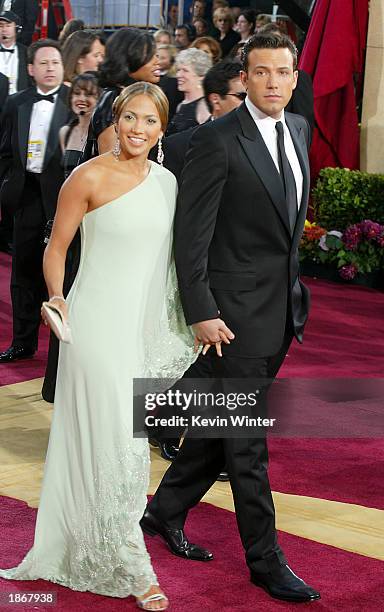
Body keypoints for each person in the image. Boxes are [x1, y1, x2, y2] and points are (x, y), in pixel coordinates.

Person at [0, 81, 195, 610]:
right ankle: (138, 569)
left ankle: (83, 544)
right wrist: (58, 297)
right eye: (130, 117)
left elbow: (173, 266)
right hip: (93, 329)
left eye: (150, 121)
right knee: (123, 449)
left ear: (162, 128)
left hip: (140, 331)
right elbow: (56, 247)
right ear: (116, 117)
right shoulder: (86, 177)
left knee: (113, 445)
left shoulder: (168, 183)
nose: (138, 129)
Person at [141, 33, 321, 603]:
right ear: (245, 77)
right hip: (232, 322)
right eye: (261, 72)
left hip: (279, 312)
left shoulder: (297, 130)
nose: (273, 82)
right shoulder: (216, 140)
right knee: (246, 443)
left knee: (219, 428)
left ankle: (163, 512)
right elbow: (189, 238)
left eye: (282, 72)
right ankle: (265, 562)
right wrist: (202, 311)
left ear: (294, 78)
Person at [0, 39, 69, 364]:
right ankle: (22, 342)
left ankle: (66, 343)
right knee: (23, 273)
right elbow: (4, 151)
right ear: (31, 69)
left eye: (55, 62)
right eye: (43, 63)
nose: (50, 68)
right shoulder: (16, 103)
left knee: (64, 272)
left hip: (63, 199)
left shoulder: (76, 100)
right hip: (25, 195)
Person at [92, 28, 161, 154]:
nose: (157, 62)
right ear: (127, 58)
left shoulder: (141, 97)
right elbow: (109, 163)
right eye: (149, 56)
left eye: (156, 55)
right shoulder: (113, 100)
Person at [166, 48, 211, 135]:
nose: (179, 75)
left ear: (201, 76)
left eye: (185, 71)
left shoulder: (204, 106)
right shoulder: (181, 105)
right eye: (178, 70)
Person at [0, 10, 29, 96]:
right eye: (1, 26)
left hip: (19, 103)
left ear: (17, 29)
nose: (4, 29)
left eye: (8, 25)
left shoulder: (26, 53)